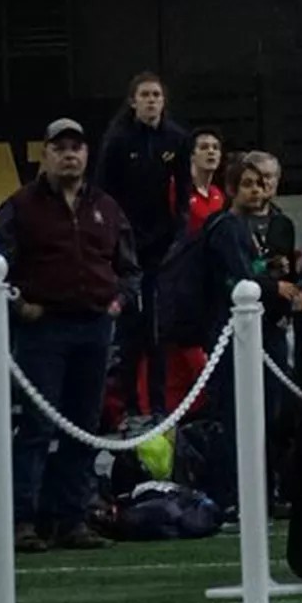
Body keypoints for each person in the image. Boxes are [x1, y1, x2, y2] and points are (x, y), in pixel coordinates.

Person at [0, 119, 135, 552]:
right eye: (60, 148)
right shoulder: (20, 206)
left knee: (84, 427)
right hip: (44, 328)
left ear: (87, 154)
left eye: (76, 147)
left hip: (94, 325)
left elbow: (129, 266)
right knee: (35, 427)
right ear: (46, 154)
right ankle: (22, 520)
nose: (69, 154)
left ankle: (70, 519)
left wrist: (119, 301)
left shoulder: (106, 207)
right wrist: (19, 305)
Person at [195, 152, 301, 506]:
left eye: (260, 184)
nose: (256, 192)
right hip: (232, 333)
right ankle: (232, 493)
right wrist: (274, 287)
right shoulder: (225, 226)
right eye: (247, 185)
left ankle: (262, 489)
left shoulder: (261, 226)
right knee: (234, 415)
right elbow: (236, 280)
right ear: (231, 189)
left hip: (262, 331)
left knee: (269, 413)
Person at [95, 74, 192, 418]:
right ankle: (125, 408)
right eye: (145, 95)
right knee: (129, 331)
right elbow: (103, 192)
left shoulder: (177, 139)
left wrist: (176, 236)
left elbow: (182, 194)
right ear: (133, 101)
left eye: (156, 95)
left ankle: (159, 407)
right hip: (125, 245)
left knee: (157, 331)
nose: (151, 101)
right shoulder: (118, 140)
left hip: (161, 247)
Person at [184, 128, 227, 235]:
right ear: (192, 155)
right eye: (204, 147)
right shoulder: (177, 189)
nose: (211, 151)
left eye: (216, 148)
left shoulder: (218, 194)